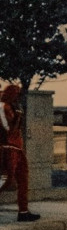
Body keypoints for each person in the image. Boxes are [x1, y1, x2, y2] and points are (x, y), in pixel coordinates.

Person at [0, 84, 40, 222]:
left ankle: (23, 211)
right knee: (6, 180)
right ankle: (23, 211)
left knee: (23, 179)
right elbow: (8, 127)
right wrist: (17, 117)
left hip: (17, 147)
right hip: (7, 147)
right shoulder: (3, 106)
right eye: (17, 94)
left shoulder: (11, 106)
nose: (18, 97)